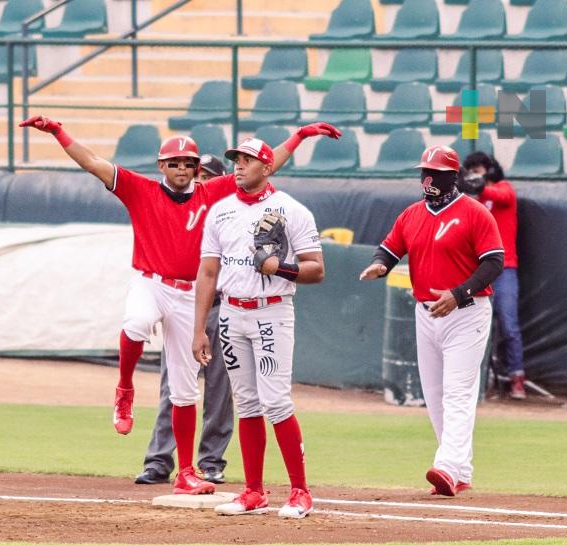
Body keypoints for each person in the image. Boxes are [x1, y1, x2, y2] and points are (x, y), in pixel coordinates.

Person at [20, 116, 340, 495]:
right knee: (137, 322)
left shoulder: (213, 195)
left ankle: (186, 471)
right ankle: (124, 390)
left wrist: (300, 136)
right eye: (175, 163)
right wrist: (58, 133)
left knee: (186, 390)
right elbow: (91, 162)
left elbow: (264, 163)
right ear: (161, 166)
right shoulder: (139, 189)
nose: (183, 169)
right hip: (151, 281)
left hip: (190, 294)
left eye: (189, 164)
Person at [359, 145, 504, 497]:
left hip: (465, 313)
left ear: (452, 176)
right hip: (425, 313)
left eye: (435, 173)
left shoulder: (473, 213)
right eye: (424, 172)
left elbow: (494, 262)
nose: (428, 179)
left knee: (457, 392)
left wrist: (459, 292)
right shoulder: (412, 214)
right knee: (435, 395)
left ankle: (447, 465)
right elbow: (390, 248)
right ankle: (459, 469)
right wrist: (382, 265)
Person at [193, 138, 325, 518]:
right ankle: (254, 491)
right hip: (232, 312)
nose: (238, 165)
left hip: (271, 311)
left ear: (267, 167)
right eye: (236, 159)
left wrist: (279, 268)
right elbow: (207, 271)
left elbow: (317, 268)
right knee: (247, 402)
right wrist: (199, 328)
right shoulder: (220, 211)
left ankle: (300, 491)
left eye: (248, 160)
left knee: (276, 401)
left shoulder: (291, 210)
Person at [135, 154, 233, 486]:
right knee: (174, 387)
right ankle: (159, 460)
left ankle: (211, 462)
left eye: (207, 176)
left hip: (221, 305)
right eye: (197, 173)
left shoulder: (229, 216)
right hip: (183, 304)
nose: (199, 180)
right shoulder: (180, 209)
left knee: (220, 388)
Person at [459, 152, 526, 400]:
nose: (476, 172)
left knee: (509, 325)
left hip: (505, 267)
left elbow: (500, 195)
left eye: (480, 168)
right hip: (479, 269)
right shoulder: (470, 201)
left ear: (488, 169)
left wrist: (478, 184)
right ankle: (478, 381)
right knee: (474, 326)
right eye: (472, 169)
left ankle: (517, 377)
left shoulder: (502, 188)